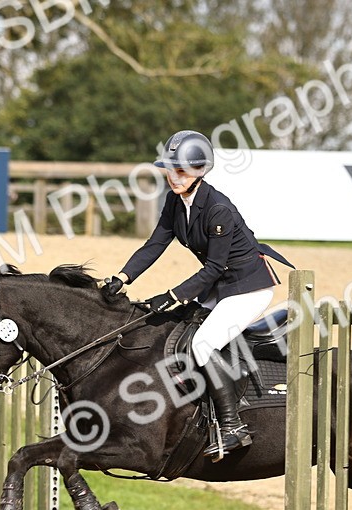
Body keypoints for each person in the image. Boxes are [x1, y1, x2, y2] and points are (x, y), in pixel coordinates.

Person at [101, 130, 285, 461]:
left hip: (249, 287)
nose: (173, 177)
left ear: (200, 171)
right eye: (170, 169)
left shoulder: (218, 209)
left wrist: (172, 295)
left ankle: (232, 426)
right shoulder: (176, 200)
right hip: (221, 286)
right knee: (179, 331)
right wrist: (122, 277)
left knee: (202, 344)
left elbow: (214, 267)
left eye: (181, 171)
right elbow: (156, 243)